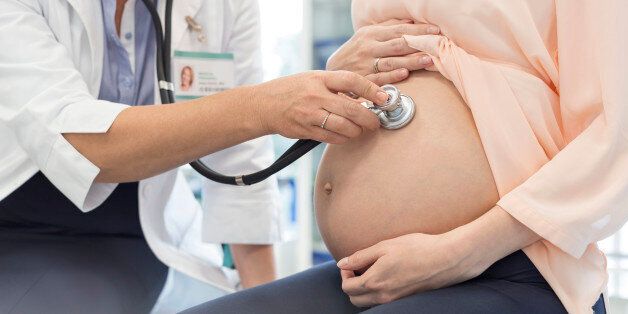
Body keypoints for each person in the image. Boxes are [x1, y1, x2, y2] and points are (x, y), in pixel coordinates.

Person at [184, 0, 624, 313]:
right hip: (365, 278)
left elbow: (617, 133)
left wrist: (461, 251)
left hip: (510, 265)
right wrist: (340, 73)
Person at [0, 0, 396, 313]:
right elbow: (82, 143)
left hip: (139, 230)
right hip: (20, 223)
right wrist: (263, 107)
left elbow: (244, 157)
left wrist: (265, 296)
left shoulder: (222, 5)